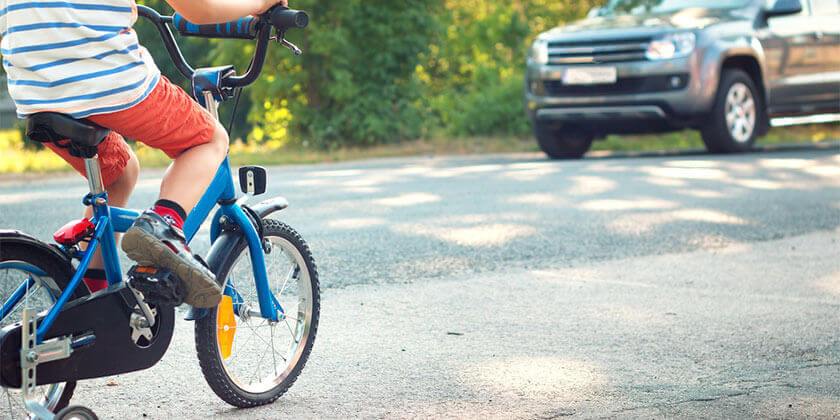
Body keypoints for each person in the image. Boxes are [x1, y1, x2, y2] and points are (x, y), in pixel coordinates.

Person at [0, 0, 287, 308]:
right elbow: (198, 10)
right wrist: (262, 4)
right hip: (105, 78)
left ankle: (88, 294)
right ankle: (162, 224)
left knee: (119, 172)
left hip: (35, 90)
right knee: (210, 139)